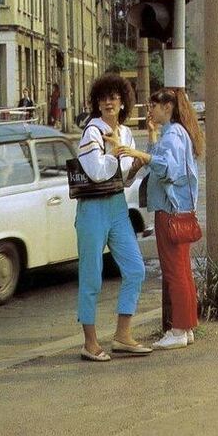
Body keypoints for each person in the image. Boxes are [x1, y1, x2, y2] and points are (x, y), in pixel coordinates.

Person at [116, 87, 204, 350]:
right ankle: (186, 327)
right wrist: (152, 137)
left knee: (174, 273)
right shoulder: (177, 132)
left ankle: (178, 330)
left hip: (169, 210)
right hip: (180, 210)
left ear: (168, 107)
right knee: (183, 272)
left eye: (153, 105)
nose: (150, 110)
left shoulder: (173, 134)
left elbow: (167, 169)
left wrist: (140, 155)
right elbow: (163, 161)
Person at [75, 73, 150, 362]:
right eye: (104, 98)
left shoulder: (126, 133)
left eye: (115, 98)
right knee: (91, 276)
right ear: (97, 103)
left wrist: (134, 167)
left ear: (123, 103)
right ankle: (90, 342)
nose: (109, 102)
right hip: (92, 209)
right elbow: (96, 172)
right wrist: (117, 152)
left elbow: (124, 178)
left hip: (117, 207)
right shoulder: (92, 132)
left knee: (135, 269)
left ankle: (122, 335)